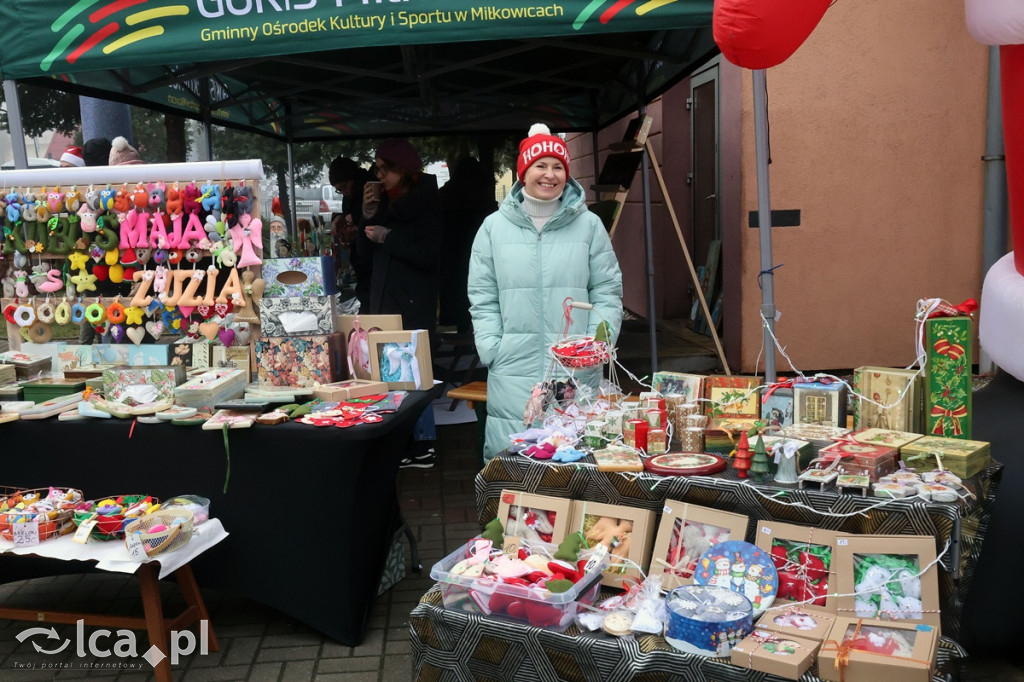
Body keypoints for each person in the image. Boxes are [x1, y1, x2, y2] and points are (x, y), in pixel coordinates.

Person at [468, 123, 623, 462]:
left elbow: (608, 288)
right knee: (511, 467)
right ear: (523, 172)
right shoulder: (493, 228)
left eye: (558, 167)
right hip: (512, 366)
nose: (549, 175)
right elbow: (482, 294)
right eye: (540, 165)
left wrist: (600, 343)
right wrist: (493, 347)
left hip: (576, 369)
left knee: (575, 465)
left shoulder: (589, 225)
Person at [361, 138, 442, 467]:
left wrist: (388, 237)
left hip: (412, 300)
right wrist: (365, 217)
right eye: (377, 169)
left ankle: (423, 443)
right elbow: (367, 257)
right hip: (387, 297)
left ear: (404, 171)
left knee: (415, 371)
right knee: (394, 372)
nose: (379, 176)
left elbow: (429, 256)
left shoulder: (426, 205)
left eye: (385, 169)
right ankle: (407, 441)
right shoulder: (390, 206)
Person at [439, 156, 496, 333]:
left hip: (452, 257)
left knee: (457, 298)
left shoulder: (445, 196)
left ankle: (462, 333)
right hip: (478, 257)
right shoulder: (483, 198)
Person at [329, 156, 377, 310]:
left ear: (353, 178)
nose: (344, 192)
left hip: (373, 255)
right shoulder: (349, 194)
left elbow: (372, 216)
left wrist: (354, 220)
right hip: (359, 254)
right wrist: (340, 218)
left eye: (344, 186)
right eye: (339, 189)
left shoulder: (368, 187)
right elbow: (348, 213)